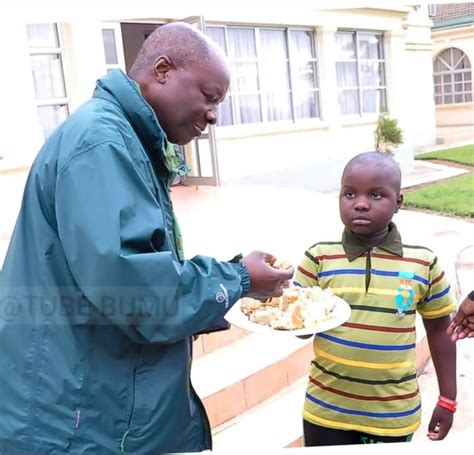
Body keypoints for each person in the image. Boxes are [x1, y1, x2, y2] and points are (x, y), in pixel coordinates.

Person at [0, 22, 293, 453]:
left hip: (99, 396)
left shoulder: (125, 138)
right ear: (161, 69)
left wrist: (234, 288)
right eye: (209, 97)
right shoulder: (102, 143)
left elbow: (140, 270)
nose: (214, 115)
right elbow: (137, 293)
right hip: (81, 419)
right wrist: (237, 279)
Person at [294, 152, 457, 446]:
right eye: (349, 193)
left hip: (393, 414)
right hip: (326, 409)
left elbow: (440, 331)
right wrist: (292, 311)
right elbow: (300, 329)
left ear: (398, 203)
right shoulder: (319, 257)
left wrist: (448, 399)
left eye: (376, 195)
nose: (360, 202)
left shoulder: (423, 262)